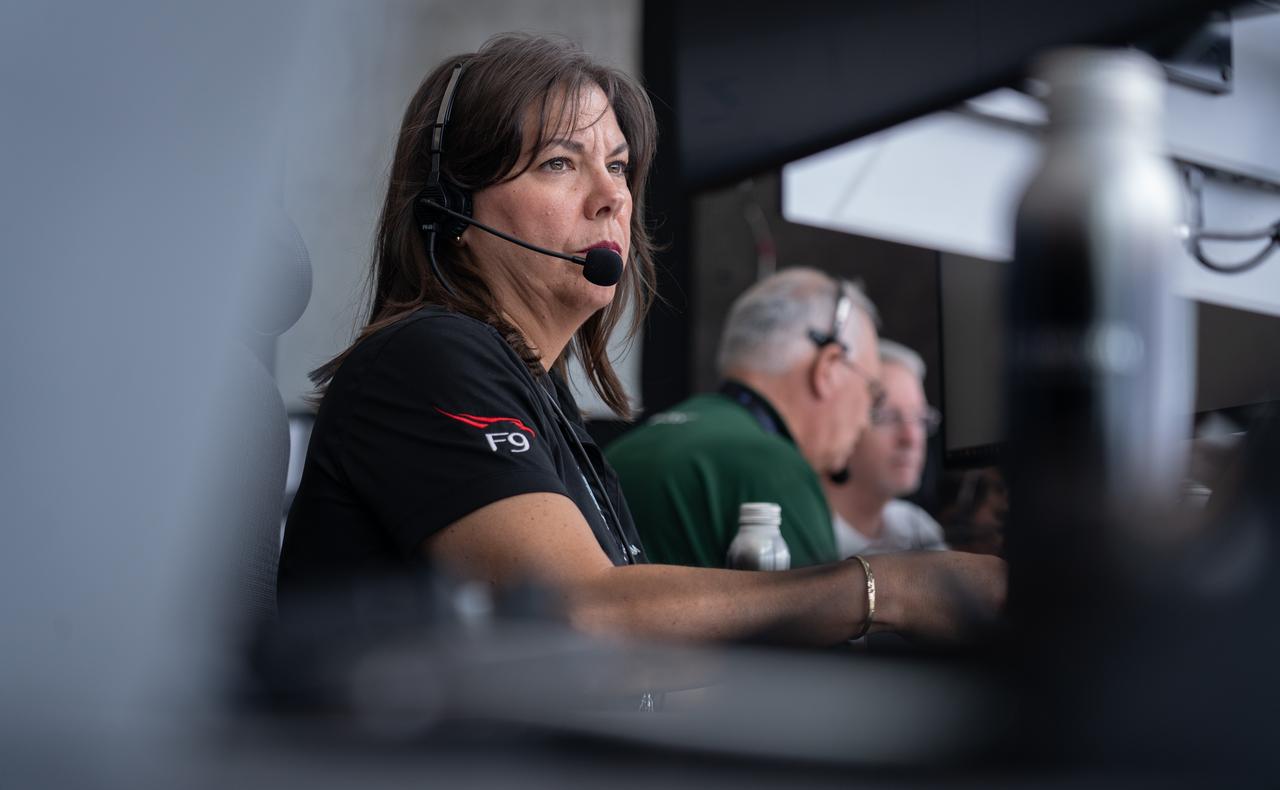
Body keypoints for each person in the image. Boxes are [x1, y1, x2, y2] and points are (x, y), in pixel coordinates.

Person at [277, 33, 1004, 646]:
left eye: (618, 165)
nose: (613, 196)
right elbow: (578, 607)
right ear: (452, 212)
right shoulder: (426, 360)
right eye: (560, 163)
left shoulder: (538, 390)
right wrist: (887, 589)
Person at [607, 269, 883, 569]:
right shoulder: (774, 468)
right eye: (871, 389)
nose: (866, 422)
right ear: (828, 367)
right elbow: (825, 613)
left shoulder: (622, 451)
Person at [823, 340, 950, 556]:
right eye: (888, 417)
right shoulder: (806, 536)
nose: (910, 438)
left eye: (919, 418)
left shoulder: (914, 525)